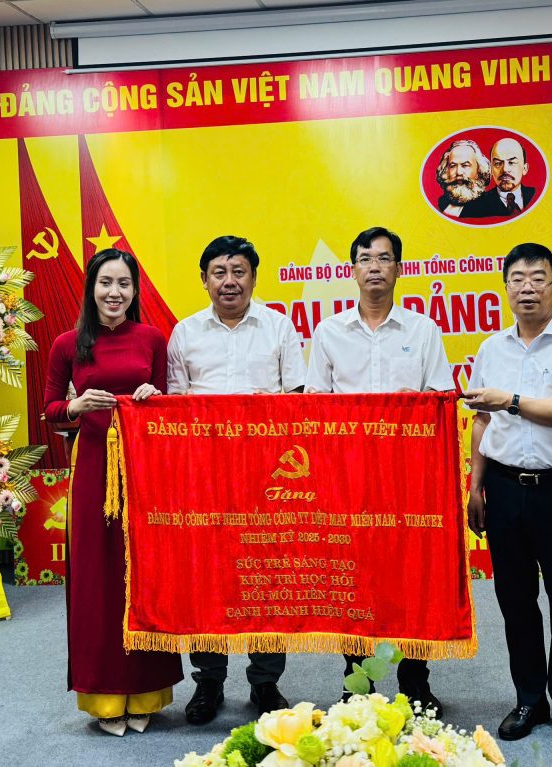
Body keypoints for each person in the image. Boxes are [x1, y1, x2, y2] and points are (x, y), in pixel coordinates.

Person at [462, 243, 552, 744]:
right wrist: (475, 485)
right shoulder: (491, 348)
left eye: (538, 278)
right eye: (517, 279)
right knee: (515, 599)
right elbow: (481, 421)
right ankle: (528, 698)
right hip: (503, 488)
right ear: (505, 287)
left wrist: (512, 400)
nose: (527, 288)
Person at [306, 226, 453, 716]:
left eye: (384, 258)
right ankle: (357, 684)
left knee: (412, 577)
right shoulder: (329, 332)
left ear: (399, 269)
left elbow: (439, 400)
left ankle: (416, 682)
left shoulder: (422, 330)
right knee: (354, 579)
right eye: (365, 258)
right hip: (347, 476)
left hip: (409, 475)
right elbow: (315, 408)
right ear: (353, 270)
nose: (374, 267)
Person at [167, 235, 306, 725]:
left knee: (266, 576)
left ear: (253, 277)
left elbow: (298, 402)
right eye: (219, 272)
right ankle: (208, 680)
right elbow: (174, 410)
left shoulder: (279, 327)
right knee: (207, 578)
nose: (229, 281)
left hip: (266, 476)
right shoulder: (184, 333)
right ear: (204, 279)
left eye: (239, 271)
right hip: (204, 477)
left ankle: (265, 681)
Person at [43, 248, 182, 737]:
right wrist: (76, 405)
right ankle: (103, 696)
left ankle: (146, 692)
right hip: (92, 467)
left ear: (134, 290)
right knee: (97, 579)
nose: (115, 293)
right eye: (106, 283)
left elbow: (168, 402)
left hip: (143, 470)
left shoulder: (152, 338)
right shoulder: (67, 344)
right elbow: (50, 409)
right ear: (91, 288)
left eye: (124, 284)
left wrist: (154, 397)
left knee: (142, 576)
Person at [460, 137, 537, 218]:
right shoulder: (474, 207)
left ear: (525, 169)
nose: (505, 169)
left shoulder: (536, 196)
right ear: (491, 169)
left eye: (511, 162)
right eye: (498, 163)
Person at [434, 139, 491, 217]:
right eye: (453, 166)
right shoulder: (442, 203)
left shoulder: (489, 206)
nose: (459, 172)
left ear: (479, 170)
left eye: (465, 165)